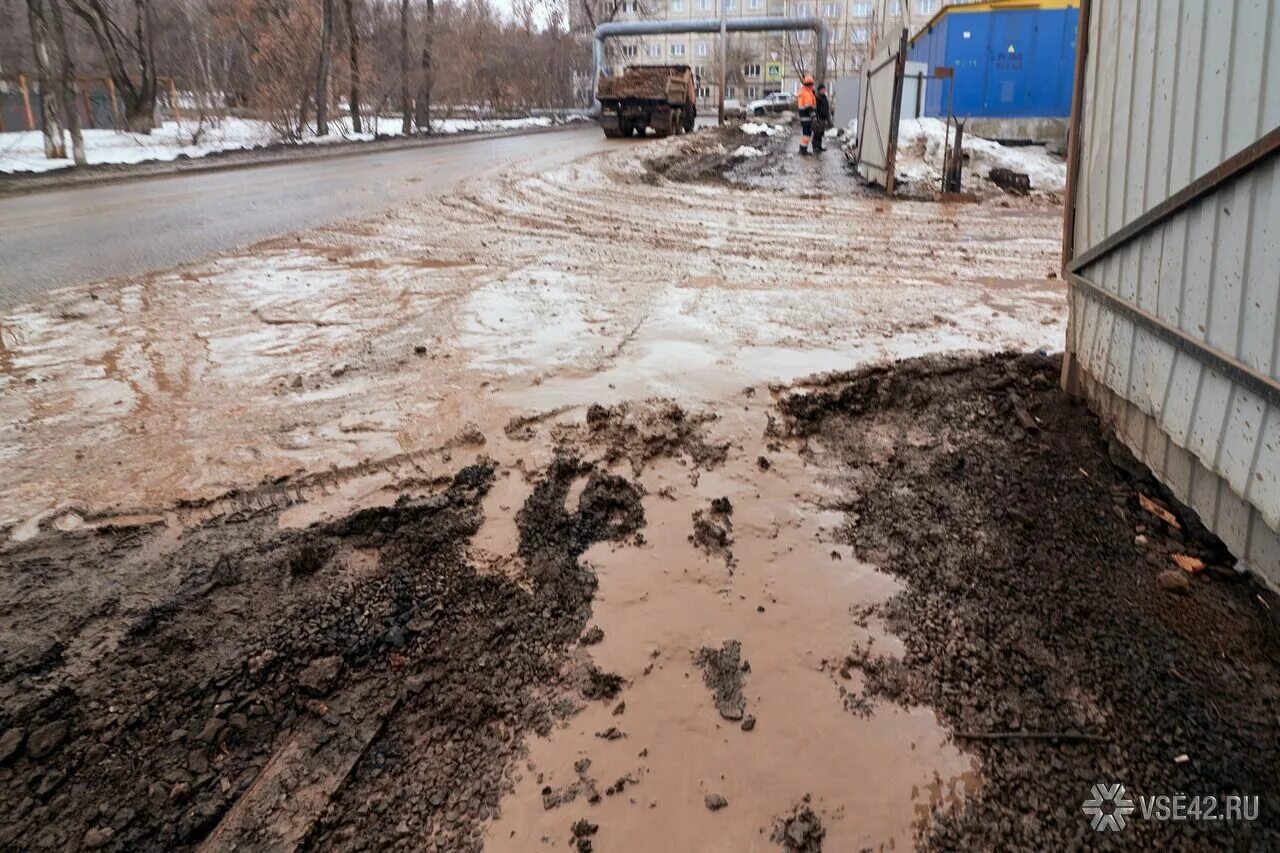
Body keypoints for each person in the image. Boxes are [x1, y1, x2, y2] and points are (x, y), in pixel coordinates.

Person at [796, 75, 817, 155]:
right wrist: (814, 116)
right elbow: (809, 107)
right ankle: (803, 151)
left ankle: (802, 149)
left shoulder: (803, 92)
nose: (813, 87)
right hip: (807, 118)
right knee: (807, 134)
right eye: (812, 85)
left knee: (806, 134)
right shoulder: (807, 94)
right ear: (810, 85)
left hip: (804, 117)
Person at [814, 83, 833, 153]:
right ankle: (815, 147)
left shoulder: (824, 97)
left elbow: (826, 108)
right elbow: (815, 109)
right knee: (817, 133)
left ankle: (819, 146)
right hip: (819, 118)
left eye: (824, 89)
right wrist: (816, 118)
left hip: (824, 118)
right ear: (819, 90)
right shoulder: (817, 98)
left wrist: (828, 117)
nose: (824, 90)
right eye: (823, 89)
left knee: (821, 133)